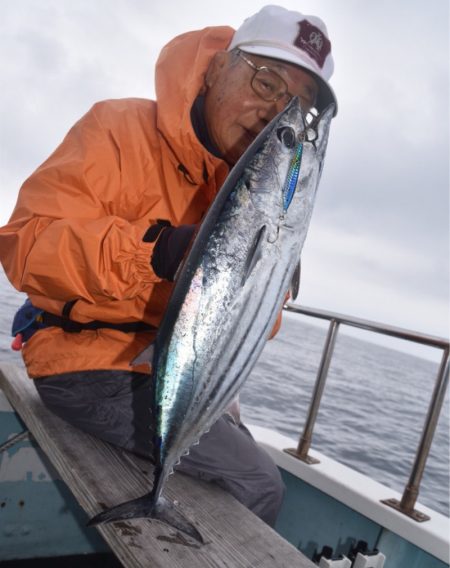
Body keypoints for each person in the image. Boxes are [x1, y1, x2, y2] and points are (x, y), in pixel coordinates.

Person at [0, 5, 336, 527]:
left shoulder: (263, 191)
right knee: (259, 484)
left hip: (164, 367)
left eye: (296, 106)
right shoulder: (117, 128)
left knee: (234, 447)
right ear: (220, 66)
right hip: (80, 359)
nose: (274, 115)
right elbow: (26, 244)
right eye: (267, 83)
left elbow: (260, 323)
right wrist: (157, 250)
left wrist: (258, 270)